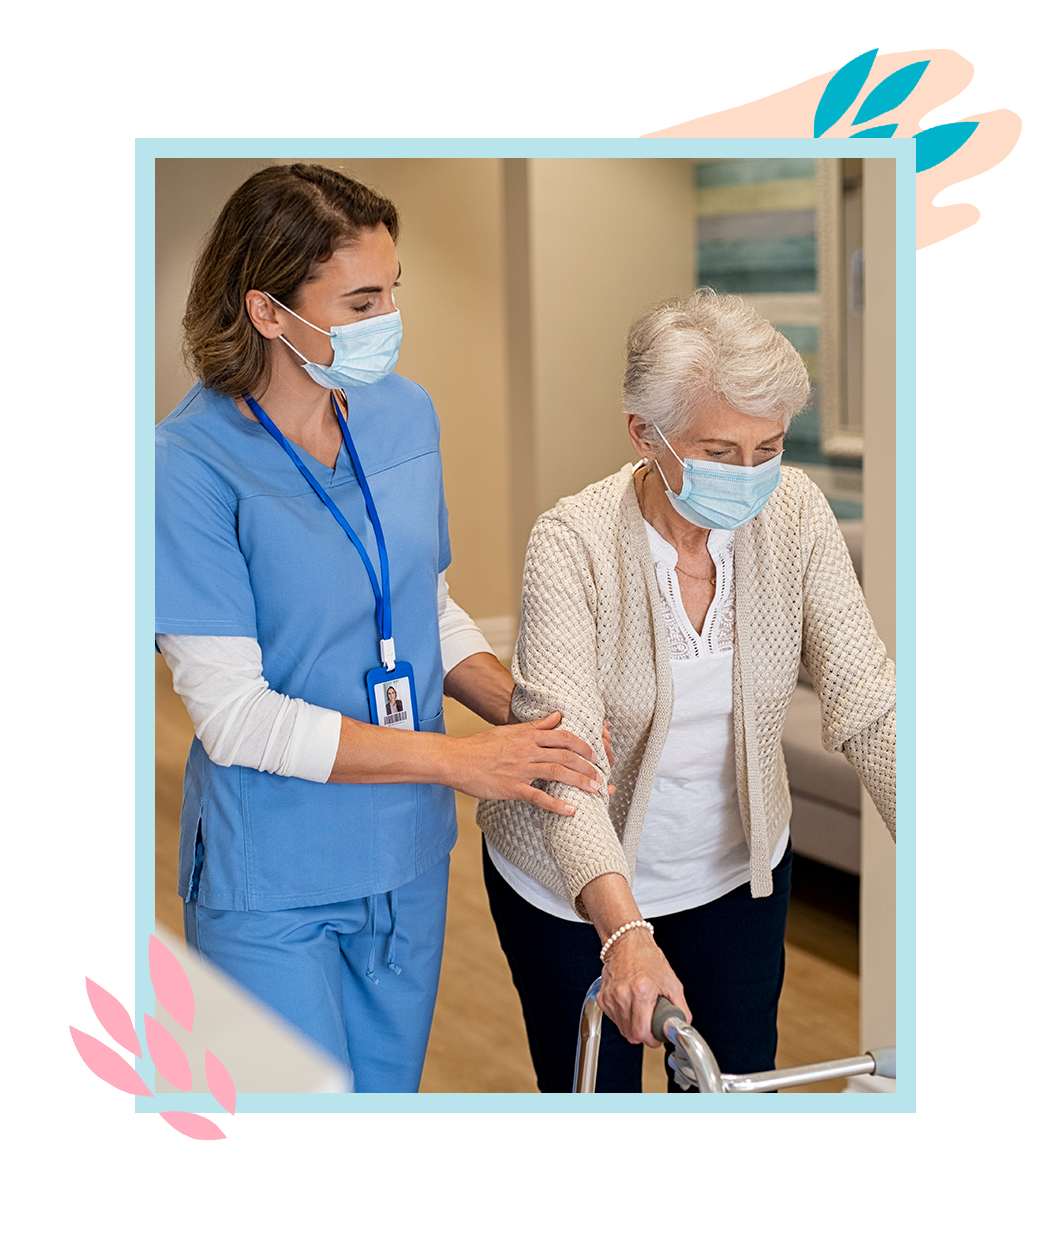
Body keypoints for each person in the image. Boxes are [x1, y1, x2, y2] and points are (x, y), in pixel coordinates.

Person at [155, 163, 604, 1092]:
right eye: (361, 301)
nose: (389, 319)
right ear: (270, 311)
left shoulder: (404, 413)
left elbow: (423, 603)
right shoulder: (186, 465)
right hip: (272, 873)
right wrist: (464, 763)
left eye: (394, 291)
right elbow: (233, 715)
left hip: (403, 857)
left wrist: (525, 713)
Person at [477, 288, 896, 1093]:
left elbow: (870, 704)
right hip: (572, 889)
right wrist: (624, 928)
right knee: (597, 1105)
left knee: (733, 1088)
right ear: (645, 433)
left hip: (733, 872)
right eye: (720, 451)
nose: (751, 476)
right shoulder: (573, 544)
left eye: (768, 448)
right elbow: (564, 765)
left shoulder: (796, 514)